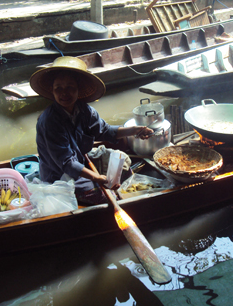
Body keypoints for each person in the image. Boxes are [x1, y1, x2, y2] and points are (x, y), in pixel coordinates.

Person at [30, 56, 153, 205]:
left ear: (78, 89)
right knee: (102, 195)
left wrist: (134, 130)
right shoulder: (49, 121)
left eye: (70, 87)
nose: (64, 93)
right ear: (52, 90)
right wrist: (95, 177)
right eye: (58, 88)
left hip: (80, 162)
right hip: (60, 176)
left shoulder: (85, 111)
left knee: (123, 160)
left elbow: (105, 131)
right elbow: (67, 163)